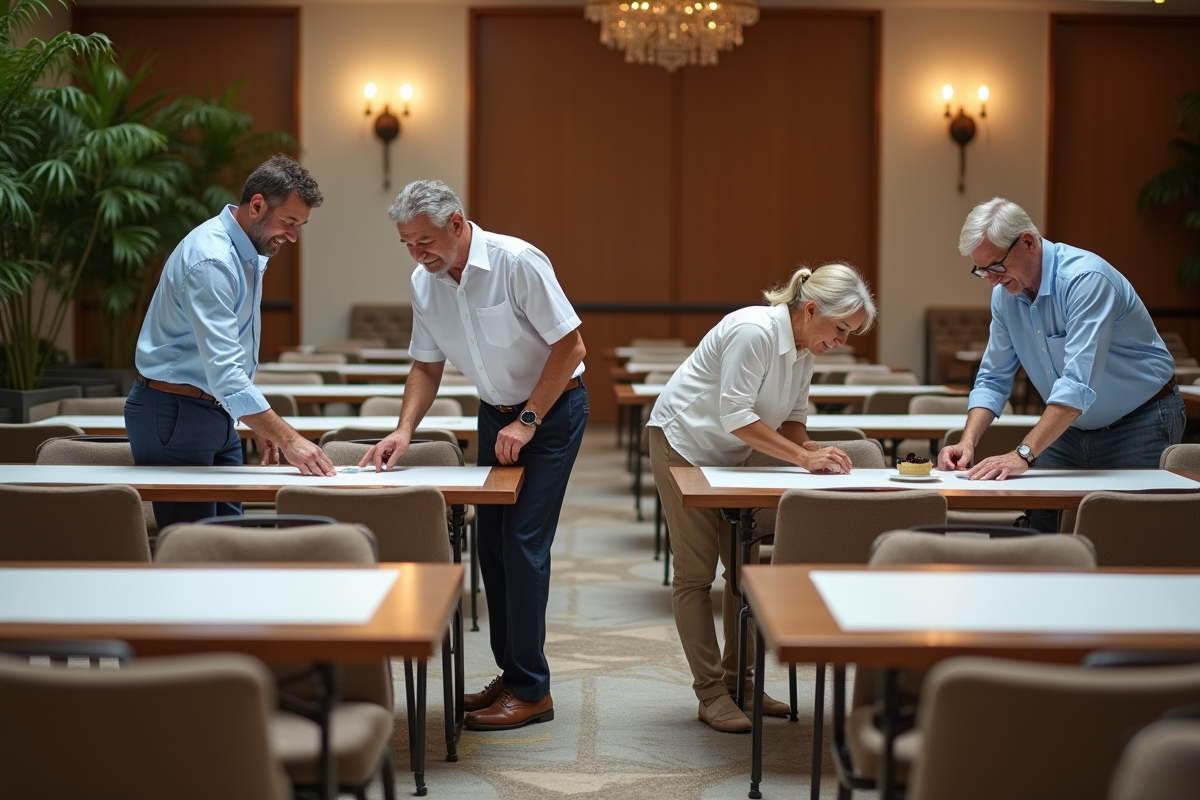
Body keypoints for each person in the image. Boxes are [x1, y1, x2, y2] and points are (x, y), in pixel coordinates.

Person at [362, 179, 588, 731]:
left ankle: (532, 691)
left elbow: (571, 346)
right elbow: (426, 366)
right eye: (407, 244)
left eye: (425, 241)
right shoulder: (425, 282)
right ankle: (512, 674)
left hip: (551, 412)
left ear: (458, 224)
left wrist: (529, 420)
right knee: (492, 546)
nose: (417, 254)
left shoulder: (517, 262)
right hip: (496, 416)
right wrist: (404, 430)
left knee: (523, 544)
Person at [647, 263, 876, 733]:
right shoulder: (755, 331)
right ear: (810, 310)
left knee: (744, 570)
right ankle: (711, 692)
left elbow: (791, 420)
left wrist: (810, 449)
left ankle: (743, 684)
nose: (842, 342)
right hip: (682, 444)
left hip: (733, 455)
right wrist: (802, 457)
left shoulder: (805, 350)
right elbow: (736, 415)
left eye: (850, 333)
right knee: (695, 573)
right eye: (840, 329)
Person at [938, 197, 1185, 531]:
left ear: (1028, 242)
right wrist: (967, 441)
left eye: (996, 267)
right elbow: (993, 379)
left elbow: (1077, 385)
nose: (992, 281)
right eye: (982, 271)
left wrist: (1022, 454)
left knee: (1128, 536)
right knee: (1044, 531)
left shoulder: (1086, 279)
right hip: (1068, 429)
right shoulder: (1005, 296)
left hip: (1139, 422)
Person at [126, 154, 336, 529]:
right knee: (195, 549)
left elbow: (227, 366)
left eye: (300, 226)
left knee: (229, 541)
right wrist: (290, 440)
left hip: (214, 410)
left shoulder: (245, 252)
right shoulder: (213, 259)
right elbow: (225, 373)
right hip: (175, 412)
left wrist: (258, 421)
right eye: (289, 222)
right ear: (256, 205)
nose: (293, 236)